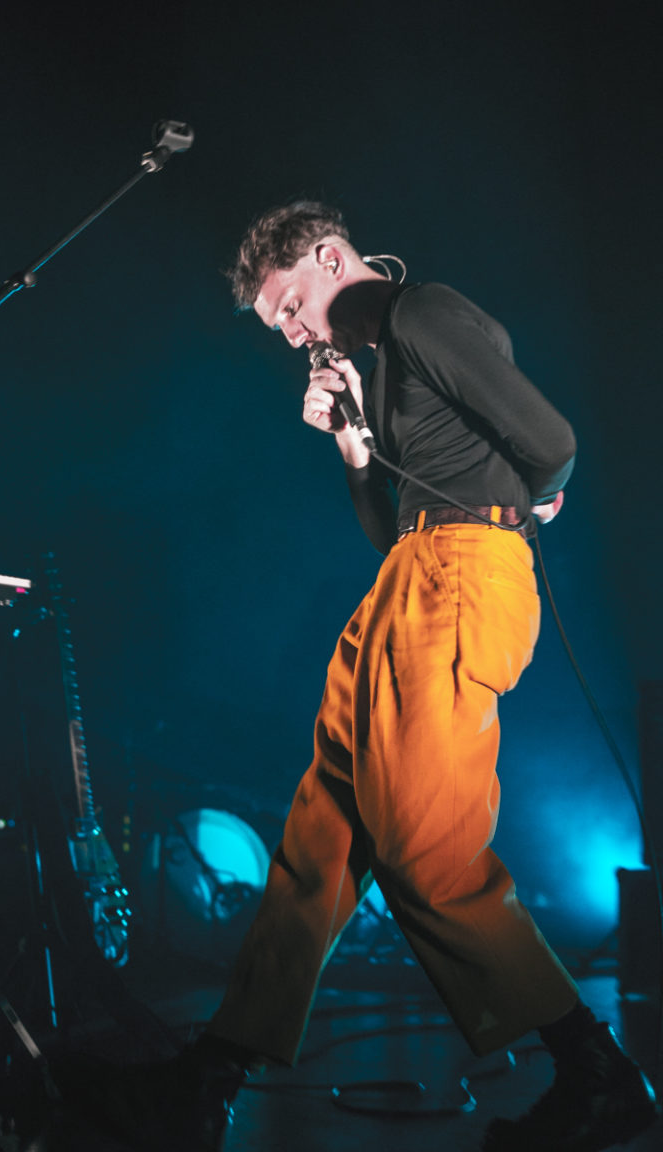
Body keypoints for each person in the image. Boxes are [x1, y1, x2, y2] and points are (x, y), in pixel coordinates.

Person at [62, 202, 658, 1152]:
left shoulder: (424, 314)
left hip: (460, 578)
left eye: (291, 306)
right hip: (408, 584)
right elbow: (393, 533)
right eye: (279, 324)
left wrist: (532, 496)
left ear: (330, 258)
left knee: (427, 853)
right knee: (321, 839)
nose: (293, 333)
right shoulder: (384, 368)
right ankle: (209, 1081)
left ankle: (601, 1077)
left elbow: (552, 441)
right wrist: (353, 451)